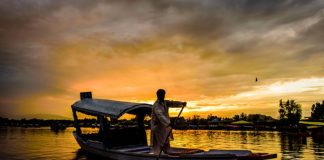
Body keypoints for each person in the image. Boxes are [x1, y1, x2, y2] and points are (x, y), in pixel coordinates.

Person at [150, 89, 186, 155]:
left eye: (163, 95)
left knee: (166, 143)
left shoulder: (165, 102)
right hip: (157, 128)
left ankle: (166, 154)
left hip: (164, 127)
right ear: (158, 95)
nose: (163, 96)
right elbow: (160, 115)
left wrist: (181, 103)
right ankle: (158, 155)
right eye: (161, 95)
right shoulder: (156, 105)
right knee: (159, 145)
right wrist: (168, 123)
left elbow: (173, 103)